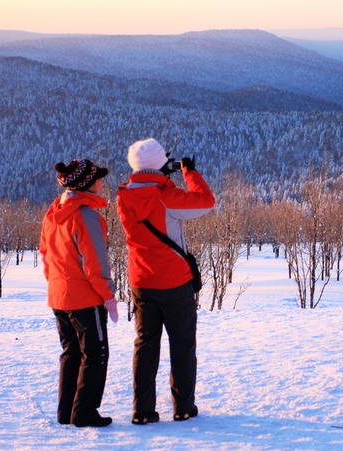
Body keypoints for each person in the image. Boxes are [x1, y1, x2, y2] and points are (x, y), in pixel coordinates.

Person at [116, 138, 215, 425]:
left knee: (146, 344)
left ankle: (143, 410)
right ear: (160, 165)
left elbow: (147, 196)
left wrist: (160, 176)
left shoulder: (124, 196)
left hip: (141, 280)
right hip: (173, 281)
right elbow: (205, 202)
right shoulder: (164, 196)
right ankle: (183, 407)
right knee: (182, 344)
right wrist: (189, 173)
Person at [39, 159, 119, 427]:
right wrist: (108, 295)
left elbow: (46, 256)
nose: (101, 183)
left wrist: (56, 283)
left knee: (71, 352)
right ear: (87, 184)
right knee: (96, 353)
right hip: (85, 298)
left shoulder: (53, 213)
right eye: (98, 179)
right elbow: (95, 261)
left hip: (59, 296)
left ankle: (67, 412)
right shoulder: (86, 215)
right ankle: (84, 412)